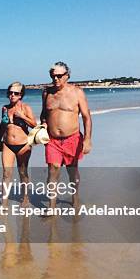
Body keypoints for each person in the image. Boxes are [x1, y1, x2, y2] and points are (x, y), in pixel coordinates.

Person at [40, 62, 92, 211]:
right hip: (52, 140)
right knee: (53, 170)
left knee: (72, 171)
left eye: (59, 76)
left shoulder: (77, 93)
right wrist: (43, 124)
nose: (55, 79)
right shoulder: (46, 93)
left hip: (72, 139)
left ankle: (75, 199)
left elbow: (86, 117)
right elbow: (44, 113)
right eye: (53, 76)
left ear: (67, 76)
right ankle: (51, 207)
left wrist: (87, 139)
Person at [0, 82, 37, 205]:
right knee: (6, 173)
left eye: (16, 93)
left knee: (22, 172)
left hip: (23, 145)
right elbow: (2, 125)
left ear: (21, 95)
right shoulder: (5, 108)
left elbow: (35, 125)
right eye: (10, 93)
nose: (12, 95)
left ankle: (24, 198)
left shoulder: (26, 108)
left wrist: (22, 116)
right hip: (7, 144)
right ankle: (4, 204)